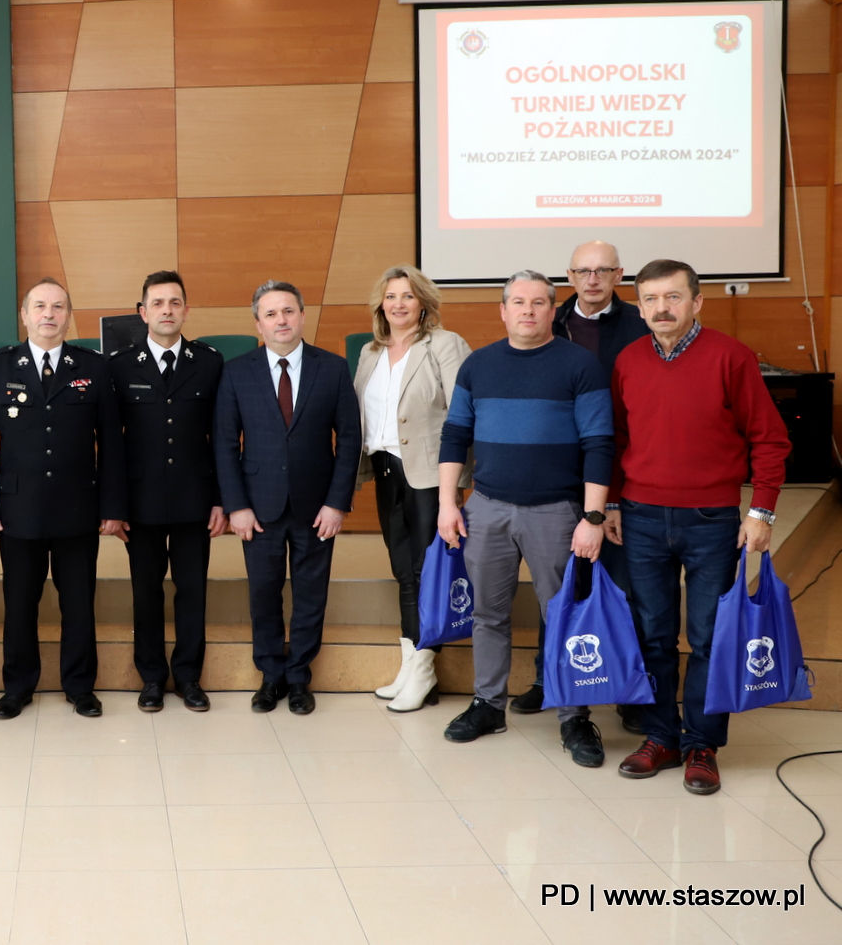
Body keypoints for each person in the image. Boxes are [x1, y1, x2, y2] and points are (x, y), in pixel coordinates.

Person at [609, 259, 790, 795]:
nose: (660, 308)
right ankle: (662, 736)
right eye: (650, 299)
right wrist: (614, 504)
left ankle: (701, 744)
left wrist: (762, 511)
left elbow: (770, 439)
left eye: (672, 297)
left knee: (710, 636)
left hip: (713, 522)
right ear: (638, 306)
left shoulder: (730, 358)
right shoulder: (627, 360)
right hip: (640, 517)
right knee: (653, 634)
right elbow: (617, 441)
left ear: (696, 302)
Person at [437, 271, 614, 768]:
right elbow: (454, 435)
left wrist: (593, 516)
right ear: (503, 309)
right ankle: (488, 705)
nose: (528, 310)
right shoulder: (478, 365)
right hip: (487, 508)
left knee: (564, 616)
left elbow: (599, 443)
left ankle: (574, 717)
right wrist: (449, 503)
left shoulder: (580, 365)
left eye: (539, 302)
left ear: (553, 310)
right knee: (488, 614)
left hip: (557, 513)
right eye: (518, 302)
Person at [0, 278, 126, 719]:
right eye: (39, 306)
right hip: (17, 510)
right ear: (24, 314)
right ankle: (17, 686)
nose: (49, 314)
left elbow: (111, 443)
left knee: (79, 602)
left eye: (58, 307)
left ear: (68, 314)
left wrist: (113, 507)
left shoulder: (93, 367)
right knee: (19, 604)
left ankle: (80, 686)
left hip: (79, 507)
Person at [512, 239, 649, 720]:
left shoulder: (640, 325)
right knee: (559, 586)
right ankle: (547, 676)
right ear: (569, 277)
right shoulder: (550, 322)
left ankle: (628, 690)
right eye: (583, 271)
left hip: (622, 473)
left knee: (620, 586)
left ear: (619, 275)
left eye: (603, 270)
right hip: (558, 474)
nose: (592, 279)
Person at [214, 281, 361, 716]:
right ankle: (270, 675)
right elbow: (224, 444)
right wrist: (236, 506)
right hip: (257, 508)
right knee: (263, 592)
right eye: (271, 314)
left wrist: (337, 503)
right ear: (257, 323)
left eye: (289, 311)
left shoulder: (332, 369)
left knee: (311, 593)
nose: (282, 320)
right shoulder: (236, 371)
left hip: (317, 507)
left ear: (302, 315)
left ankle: (299, 676)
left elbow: (349, 439)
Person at [352, 265, 471, 713]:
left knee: (427, 572)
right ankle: (411, 664)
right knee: (404, 569)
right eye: (390, 296)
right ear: (380, 304)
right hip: (385, 468)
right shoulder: (369, 353)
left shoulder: (444, 344)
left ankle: (424, 669)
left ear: (423, 301)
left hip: (429, 473)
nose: (398, 303)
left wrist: (455, 485)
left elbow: (463, 414)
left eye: (407, 295)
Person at [107, 270, 224, 713]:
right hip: (142, 502)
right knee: (146, 591)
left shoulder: (210, 362)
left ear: (186, 310)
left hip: (196, 499)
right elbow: (112, 445)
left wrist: (221, 499)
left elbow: (222, 435)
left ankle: (189, 678)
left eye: (175, 303)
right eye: (158, 303)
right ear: (143, 312)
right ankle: (152, 678)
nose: (167, 310)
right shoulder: (118, 366)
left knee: (193, 590)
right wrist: (115, 506)